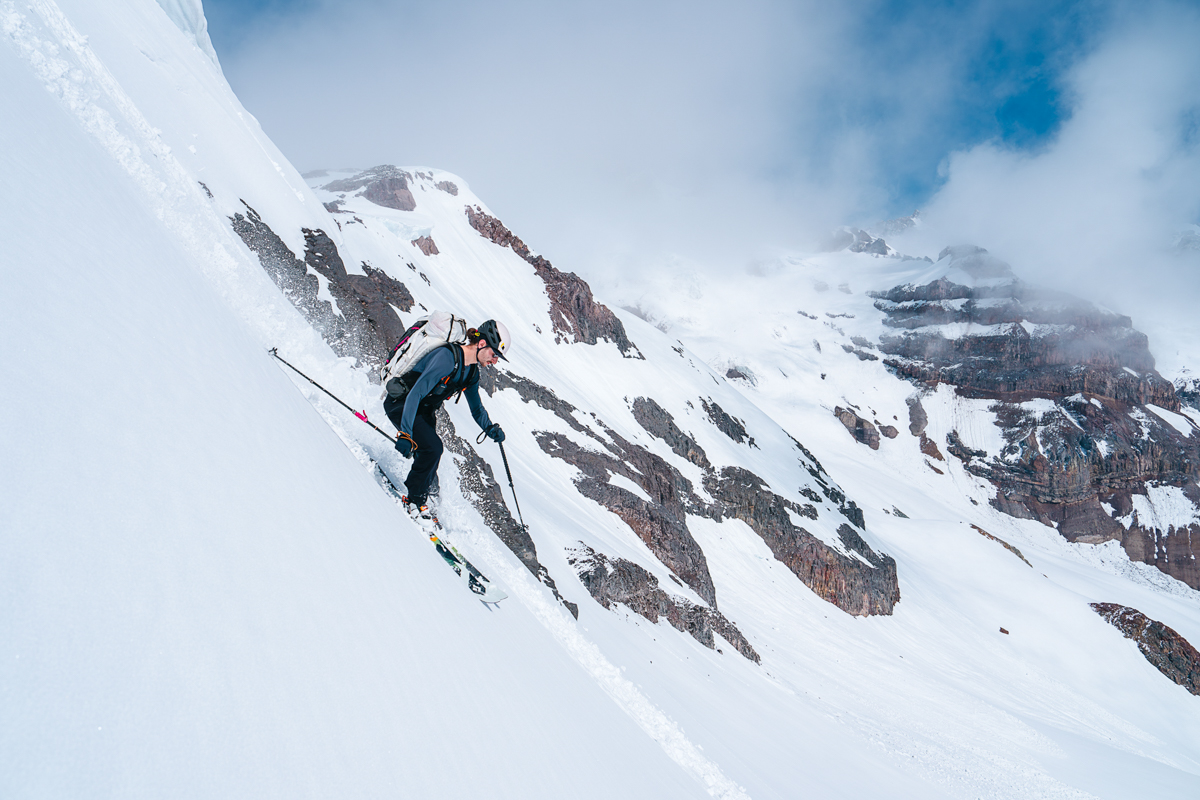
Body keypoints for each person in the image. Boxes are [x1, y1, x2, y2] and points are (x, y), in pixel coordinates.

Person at [383, 319, 509, 525]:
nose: (495, 361)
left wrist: (489, 428)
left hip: (423, 411)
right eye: (495, 354)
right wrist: (405, 433)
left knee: (430, 464)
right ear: (481, 344)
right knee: (433, 448)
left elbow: (476, 409)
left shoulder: (471, 373)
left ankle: (429, 501)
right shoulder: (446, 358)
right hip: (402, 404)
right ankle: (414, 501)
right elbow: (416, 393)